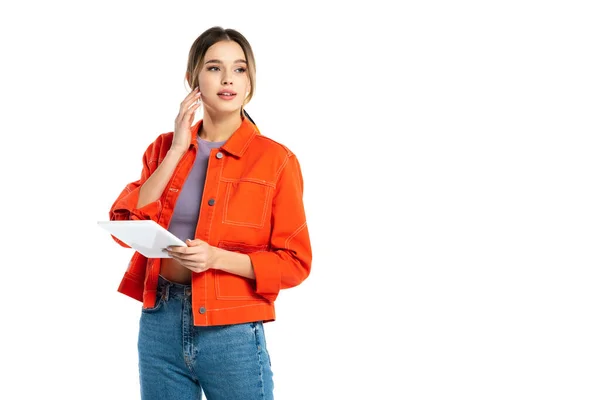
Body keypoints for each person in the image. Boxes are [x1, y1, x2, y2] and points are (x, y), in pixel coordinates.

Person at [107, 26, 312, 400]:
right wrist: (176, 151)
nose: (228, 79)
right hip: (160, 324)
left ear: (250, 81)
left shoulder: (277, 161)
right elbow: (124, 227)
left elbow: (295, 262)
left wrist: (217, 258)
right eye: (215, 68)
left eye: (240, 69)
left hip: (231, 330)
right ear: (193, 79)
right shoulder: (163, 148)